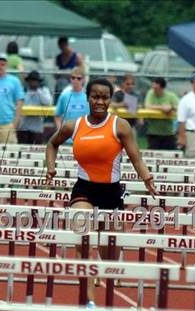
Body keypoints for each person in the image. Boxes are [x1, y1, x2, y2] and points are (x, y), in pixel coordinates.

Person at [46, 77, 158, 306]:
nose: (100, 101)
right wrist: (50, 167)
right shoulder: (73, 125)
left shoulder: (121, 125)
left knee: (110, 258)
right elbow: (52, 143)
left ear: (110, 100)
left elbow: (136, 157)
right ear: (87, 98)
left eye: (104, 97)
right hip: (84, 189)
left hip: (111, 192)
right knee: (82, 241)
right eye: (95, 96)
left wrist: (147, 178)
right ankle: (89, 302)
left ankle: (103, 280)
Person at [54, 66, 89, 144]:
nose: (75, 80)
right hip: (67, 140)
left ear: (83, 80)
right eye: (73, 78)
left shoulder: (88, 97)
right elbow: (57, 116)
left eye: (79, 78)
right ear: (70, 79)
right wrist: (60, 132)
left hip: (84, 139)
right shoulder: (64, 95)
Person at [17, 71, 52, 144]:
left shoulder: (44, 90)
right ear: (28, 81)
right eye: (31, 80)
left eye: (35, 80)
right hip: (23, 128)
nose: (33, 82)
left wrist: (38, 91)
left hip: (37, 129)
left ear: (39, 82)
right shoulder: (23, 90)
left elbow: (48, 102)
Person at [144, 77, 179, 150]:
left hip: (168, 132)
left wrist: (171, 107)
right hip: (153, 132)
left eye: (156, 87)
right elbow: (147, 106)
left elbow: (179, 107)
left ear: (161, 88)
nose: (153, 89)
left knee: (170, 156)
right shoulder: (150, 93)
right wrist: (162, 108)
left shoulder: (171, 96)